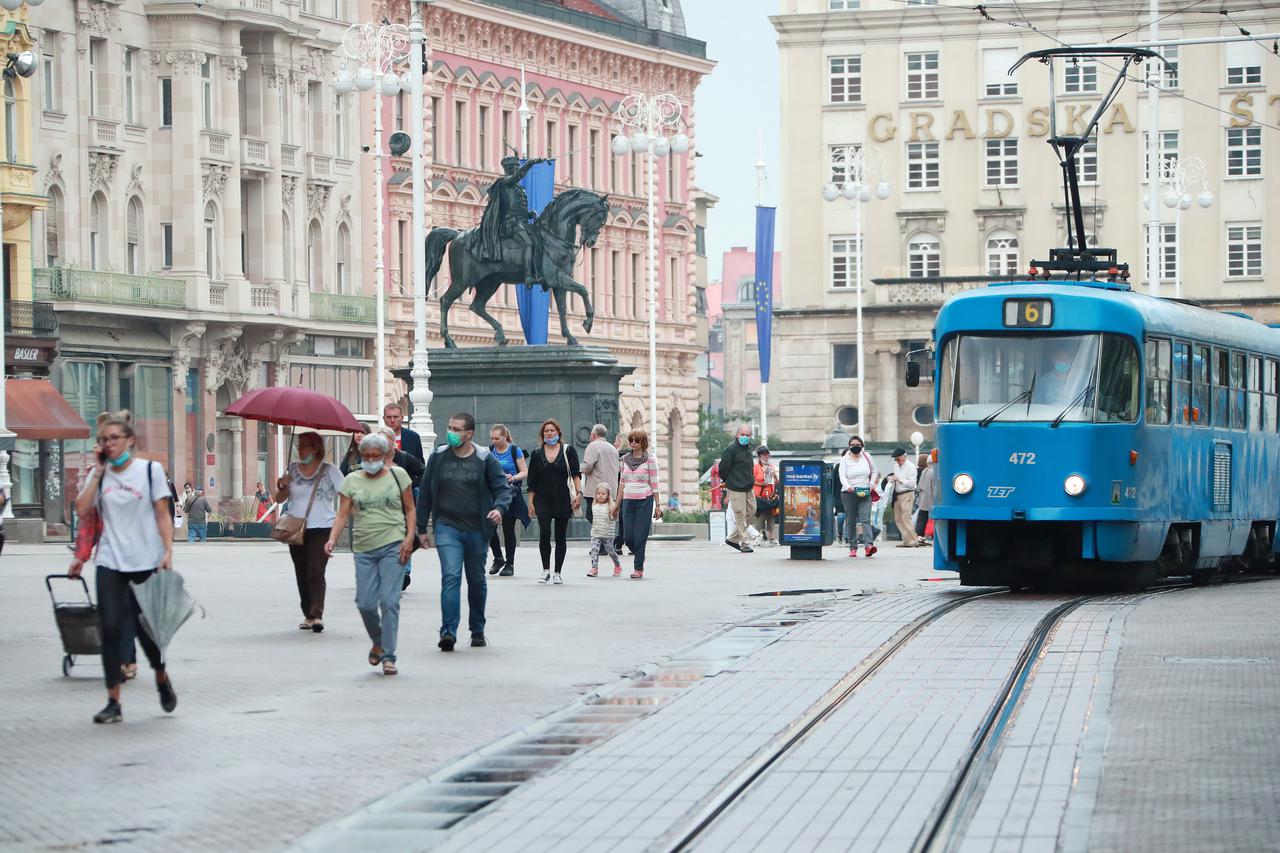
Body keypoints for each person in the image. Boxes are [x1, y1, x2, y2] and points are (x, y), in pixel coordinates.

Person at [70, 410, 177, 725]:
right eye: (103, 440)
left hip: (145, 561)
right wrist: (99, 473)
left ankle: (160, 675)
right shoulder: (99, 474)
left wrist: (168, 550)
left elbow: (162, 514)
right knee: (111, 630)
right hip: (110, 561)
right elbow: (82, 509)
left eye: (114, 438)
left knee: (146, 632)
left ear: (130, 440)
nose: (109, 444)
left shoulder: (149, 471)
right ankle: (113, 701)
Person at [416, 412, 511, 652]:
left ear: (469, 433)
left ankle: (477, 629)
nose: (451, 432)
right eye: (449, 427)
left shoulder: (483, 458)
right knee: (451, 577)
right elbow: (425, 492)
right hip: (447, 527)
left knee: (476, 580)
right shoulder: (438, 457)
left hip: (478, 529)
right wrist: (420, 528)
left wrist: (499, 509)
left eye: (456, 429)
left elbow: (502, 489)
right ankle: (447, 631)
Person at [326, 433, 416, 676]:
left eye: (376, 456)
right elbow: (343, 514)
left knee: (389, 601)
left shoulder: (399, 476)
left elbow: (410, 508)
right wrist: (333, 538)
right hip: (364, 548)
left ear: (386, 455)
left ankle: (389, 655)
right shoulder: (352, 481)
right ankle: (378, 640)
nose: (371, 460)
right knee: (365, 603)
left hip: (393, 544)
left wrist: (409, 538)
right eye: (366, 456)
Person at [274, 431, 345, 633]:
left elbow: (346, 493)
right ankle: (307, 613)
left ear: (315, 448)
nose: (300, 449)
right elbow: (279, 500)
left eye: (304, 445)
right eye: (298, 445)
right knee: (302, 573)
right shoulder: (292, 470)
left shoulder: (330, 471)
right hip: (296, 528)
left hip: (323, 527)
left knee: (316, 571)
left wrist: (345, 516)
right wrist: (282, 486)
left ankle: (317, 615)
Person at [526, 418, 582, 584]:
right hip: (542, 499)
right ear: (542, 434)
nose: (549, 433)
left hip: (563, 498)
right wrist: (530, 502)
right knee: (544, 534)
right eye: (546, 431)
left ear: (558, 432)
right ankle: (545, 570)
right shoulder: (537, 453)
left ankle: (557, 571)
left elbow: (575, 474)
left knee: (560, 536)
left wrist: (579, 493)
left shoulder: (568, 450)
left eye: (552, 430)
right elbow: (532, 480)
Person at [612, 428, 662, 579]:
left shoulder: (650, 460)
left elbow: (654, 483)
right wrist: (616, 505)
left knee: (640, 535)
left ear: (643, 442)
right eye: (631, 440)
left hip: (644, 500)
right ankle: (640, 554)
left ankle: (638, 567)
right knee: (628, 537)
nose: (633, 443)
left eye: (637, 440)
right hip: (628, 500)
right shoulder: (624, 459)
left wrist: (658, 505)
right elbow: (622, 483)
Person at [487, 424, 529, 576]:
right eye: (492, 438)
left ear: (505, 437)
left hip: (510, 492)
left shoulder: (514, 450)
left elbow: (524, 471)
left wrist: (513, 477)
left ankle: (509, 564)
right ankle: (498, 557)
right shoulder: (490, 450)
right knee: (489, 525)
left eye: (497, 438)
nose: (494, 441)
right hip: (493, 493)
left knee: (508, 528)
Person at [838, 435, 878, 558]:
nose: (855, 447)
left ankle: (868, 546)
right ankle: (853, 547)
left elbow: (874, 471)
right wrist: (848, 486)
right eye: (853, 445)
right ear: (849, 447)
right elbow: (842, 475)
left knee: (865, 519)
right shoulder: (845, 459)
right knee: (851, 521)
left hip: (865, 492)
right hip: (849, 493)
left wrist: (871, 485)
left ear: (862, 446)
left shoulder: (867, 457)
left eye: (858, 445)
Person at [719, 424, 756, 553]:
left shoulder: (749, 448)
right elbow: (723, 469)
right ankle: (745, 542)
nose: (745, 437)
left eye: (747, 435)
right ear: (737, 435)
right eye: (742, 435)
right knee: (740, 514)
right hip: (736, 486)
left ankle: (732, 539)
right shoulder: (731, 449)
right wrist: (728, 482)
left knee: (752, 511)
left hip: (748, 486)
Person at [581, 424, 621, 525]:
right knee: (606, 517)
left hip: (596, 490)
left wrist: (578, 469)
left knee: (592, 516)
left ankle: (600, 537)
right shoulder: (613, 449)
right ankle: (604, 536)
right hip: (611, 490)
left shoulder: (593, 446)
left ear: (593, 435)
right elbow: (618, 468)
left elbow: (587, 466)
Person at [887, 448, 922, 547]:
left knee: (906, 517)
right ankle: (907, 539)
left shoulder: (911, 467)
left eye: (898, 459)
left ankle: (913, 539)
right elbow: (894, 476)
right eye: (895, 460)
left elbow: (912, 484)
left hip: (907, 493)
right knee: (898, 518)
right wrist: (891, 479)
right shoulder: (896, 466)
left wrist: (900, 480)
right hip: (897, 494)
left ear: (904, 456)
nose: (897, 462)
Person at [586, 483, 623, 577]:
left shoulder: (611, 505)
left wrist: (614, 513)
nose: (600, 495)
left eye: (603, 493)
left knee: (611, 552)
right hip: (596, 533)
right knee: (594, 551)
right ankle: (594, 568)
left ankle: (617, 565)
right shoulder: (594, 505)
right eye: (598, 493)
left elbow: (614, 518)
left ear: (608, 495)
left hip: (607, 534)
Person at [753, 447, 779, 546]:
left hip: (770, 496)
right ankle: (757, 537)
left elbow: (776, 482)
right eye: (764, 455)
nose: (766, 456)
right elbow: (751, 481)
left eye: (767, 454)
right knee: (760, 517)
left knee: (771, 517)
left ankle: (772, 538)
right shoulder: (756, 467)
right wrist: (761, 484)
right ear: (759, 456)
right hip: (760, 496)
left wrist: (775, 476)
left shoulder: (771, 466)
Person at [915, 454, 937, 545]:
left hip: (923, 498)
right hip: (931, 499)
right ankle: (930, 534)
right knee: (932, 518)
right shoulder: (935, 472)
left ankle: (918, 534)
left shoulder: (925, 471)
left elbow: (919, 487)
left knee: (921, 518)